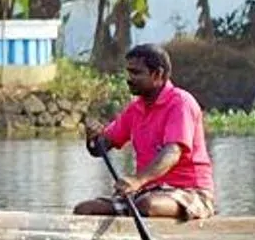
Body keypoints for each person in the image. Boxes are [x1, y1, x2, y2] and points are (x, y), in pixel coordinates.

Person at [76, 41, 216, 221]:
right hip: (147, 192)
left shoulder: (180, 103)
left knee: (147, 205)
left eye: (136, 73)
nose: (128, 78)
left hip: (191, 193)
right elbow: (100, 147)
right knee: (85, 209)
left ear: (158, 74)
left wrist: (137, 180)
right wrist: (93, 138)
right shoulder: (135, 109)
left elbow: (172, 153)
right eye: (128, 72)